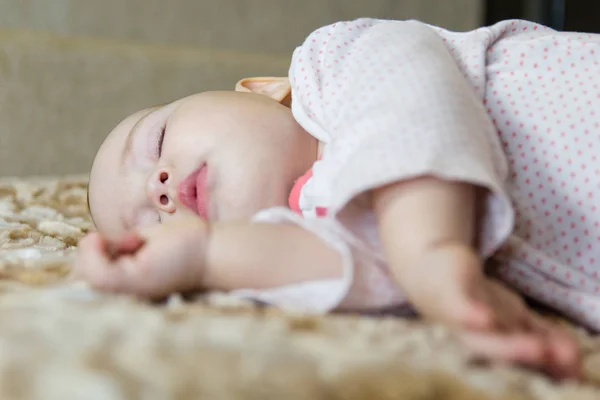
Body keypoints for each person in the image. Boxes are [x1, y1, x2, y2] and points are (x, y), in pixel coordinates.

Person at [77, 18, 600, 379]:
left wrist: (430, 251)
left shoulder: (331, 65)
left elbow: (410, 97)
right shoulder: (326, 221)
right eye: (147, 220)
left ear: (262, 90)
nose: (158, 189)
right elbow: (361, 273)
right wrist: (202, 256)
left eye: (156, 142)